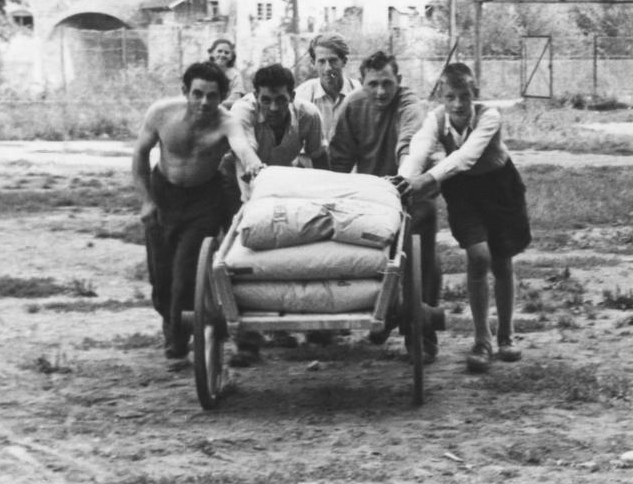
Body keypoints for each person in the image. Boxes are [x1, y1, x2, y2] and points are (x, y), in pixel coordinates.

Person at [399, 62, 530, 373]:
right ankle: (481, 339)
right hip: (463, 193)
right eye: (450, 97)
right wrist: (404, 180)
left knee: (501, 260)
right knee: (478, 256)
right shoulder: (436, 119)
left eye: (464, 96)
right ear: (442, 98)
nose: (457, 104)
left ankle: (506, 335)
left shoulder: (490, 116)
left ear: (476, 94)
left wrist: (427, 180)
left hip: (499, 188)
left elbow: (465, 156)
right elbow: (418, 149)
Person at [133, 61, 264, 366]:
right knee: (161, 278)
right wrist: (146, 201)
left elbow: (242, 148)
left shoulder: (226, 122)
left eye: (212, 95)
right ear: (185, 92)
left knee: (185, 273)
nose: (204, 102)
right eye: (198, 94)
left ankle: (179, 344)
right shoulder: (161, 113)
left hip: (204, 201)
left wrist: (255, 165)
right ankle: (173, 332)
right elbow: (140, 154)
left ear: (223, 96)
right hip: (163, 195)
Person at [329, 50, 439, 361]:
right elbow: (339, 159)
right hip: (372, 196)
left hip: (412, 191)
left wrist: (402, 182)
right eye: (373, 84)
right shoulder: (353, 105)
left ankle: (422, 332)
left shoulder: (410, 105)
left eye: (387, 84)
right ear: (361, 82)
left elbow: (411, 147)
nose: (380, 91)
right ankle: (386, 313)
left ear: (399, 81)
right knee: (371, 257)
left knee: (420, 260)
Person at [226, 63, 328, 363]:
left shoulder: (308, 114)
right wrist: (255, 166)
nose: (273, 106)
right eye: (265, 99)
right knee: (244, 265)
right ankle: (248, 339)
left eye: (281, 99)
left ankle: (317, 326)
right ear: (255, 96)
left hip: (291, 194)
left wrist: (329, 195)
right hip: (249, 194)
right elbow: (241, 145)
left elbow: (320, 156)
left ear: (292, 96)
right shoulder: (242, 112)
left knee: (305, 258)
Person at [295, 32, 358, 146]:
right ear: (313, 63)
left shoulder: (358, 93)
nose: (328, 68)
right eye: (321, 61)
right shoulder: (301, 96)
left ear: (344, 61)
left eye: (333, 60)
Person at [207, 39, 244, 108]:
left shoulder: (235, 75)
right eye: (219, 51)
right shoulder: (204, 71)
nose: (223, 54)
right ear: (212, 53)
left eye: (226, 53)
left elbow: (235, 99)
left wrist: (214, 106)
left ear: (231, 56)